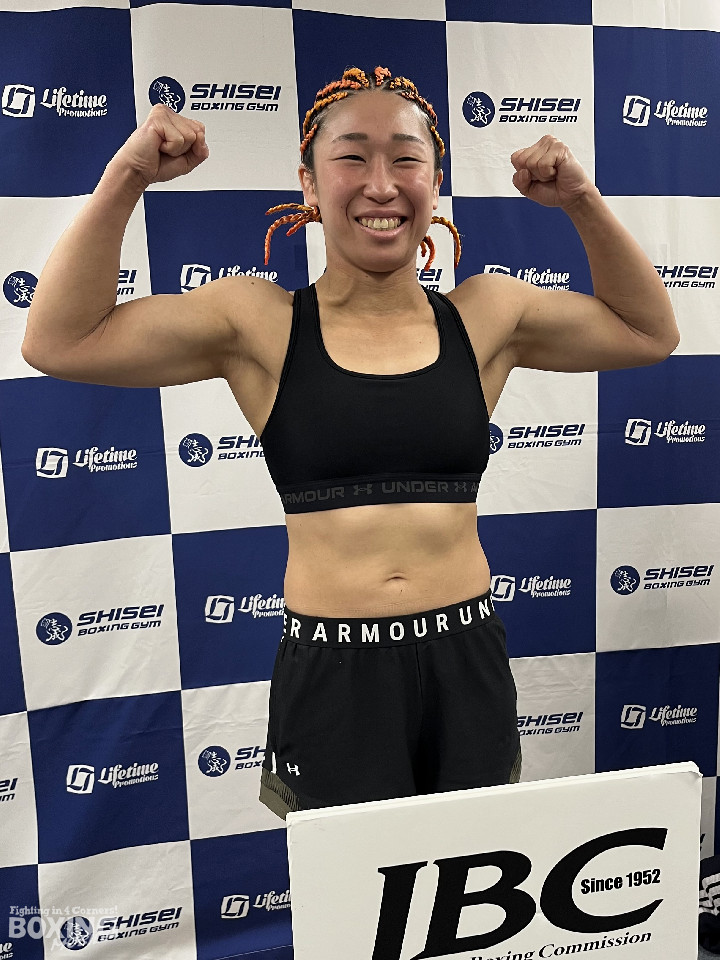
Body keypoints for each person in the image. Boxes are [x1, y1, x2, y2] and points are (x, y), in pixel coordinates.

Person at [23, 66, 679, 820]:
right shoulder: (257, 321)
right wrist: (127, 175)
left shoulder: (488, 314)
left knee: (468, 875)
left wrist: (582, 201)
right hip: (335, 668)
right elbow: (60, 340)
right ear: (308, 183)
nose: (381, 184)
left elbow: (648, 332)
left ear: (435, 183)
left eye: (406, 159)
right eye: (352, 157)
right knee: (352, 890)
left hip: (464, 655)